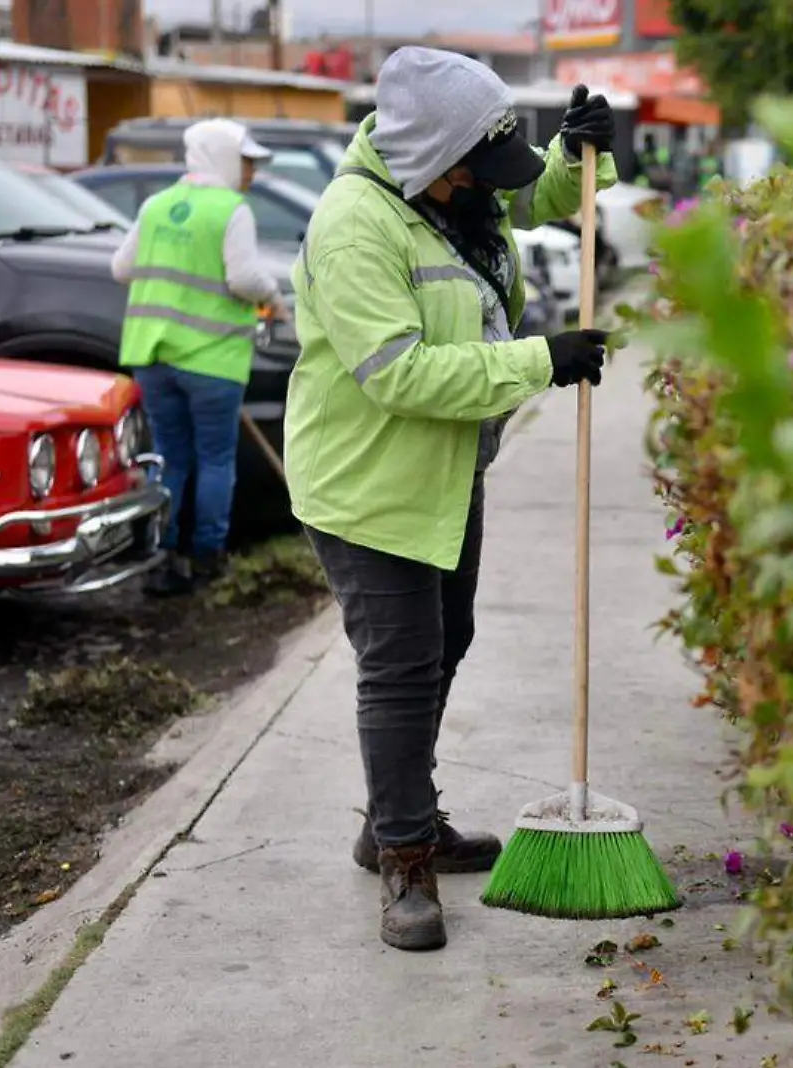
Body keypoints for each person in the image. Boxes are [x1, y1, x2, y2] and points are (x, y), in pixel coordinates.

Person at [284, 46, 616, 952]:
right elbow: (397, 371)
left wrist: (579, 153)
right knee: (400, 667)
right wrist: (541, 359)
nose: (493, 189)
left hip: (440, 471)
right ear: (439, 162)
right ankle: (404, 859)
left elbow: (538, 196)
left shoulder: (450, 196)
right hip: (367, 483)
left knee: (447, 641)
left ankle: (399, 816)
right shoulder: (357, 225)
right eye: (483, 169)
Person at [111, 118, 283, 597]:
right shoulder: (232, 209)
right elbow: (244, 279)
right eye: (246, 161)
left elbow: (121, 267)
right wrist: (274, 296)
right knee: (214, 459)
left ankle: (160, 554)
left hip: (152, 354)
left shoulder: (157, 205)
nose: (250, 171)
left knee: (168, 458)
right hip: (212, 361)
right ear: (223, 158)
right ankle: (207, 557)